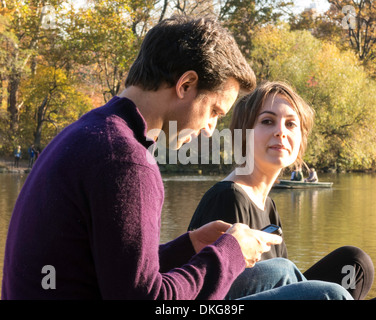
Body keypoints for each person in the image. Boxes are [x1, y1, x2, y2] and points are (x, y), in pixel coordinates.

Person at [2, 16, 350, 301]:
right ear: (186, 85)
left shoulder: (89, 132)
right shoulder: (128, 163)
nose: (212, 129)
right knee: (327, 295)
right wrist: (229, 253)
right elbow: (145, 300)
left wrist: (190, 245)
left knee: (279, 271)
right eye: (214, 110)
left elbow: (118, 275)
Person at [188, 81, 376, 300]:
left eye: (291, 124)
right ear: (243, 134)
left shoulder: (268, 205)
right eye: (268, 121)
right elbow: (217, 293)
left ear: (301, 140)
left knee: (355, 263)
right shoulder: (227, 198)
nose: (280, 132)